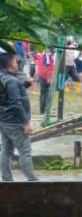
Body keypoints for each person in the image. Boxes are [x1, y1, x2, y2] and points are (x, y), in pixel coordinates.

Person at [0, 53, 37, 181]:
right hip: (15, 121)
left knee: (6, 150)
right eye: (15, 61)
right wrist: (25, 122)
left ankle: (6, 178)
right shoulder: (11, 81)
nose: (18, 63)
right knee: (25, 151)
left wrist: (26, 84)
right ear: (10, 63)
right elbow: (16, 103)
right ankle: (32, 179)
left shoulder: (3, 78)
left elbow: (8, 95)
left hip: (4, 119)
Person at [33, 48, 55, 115]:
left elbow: (32, 54)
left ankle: (42, 110)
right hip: (45, 77)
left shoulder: (41, 56)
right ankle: (44, 110)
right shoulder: (48, 57)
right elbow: (47, 66)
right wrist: (48, 77)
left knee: (43, 94)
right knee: (46, 94)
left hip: (42, 76)